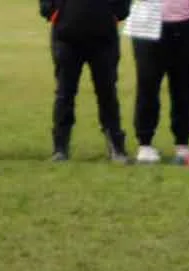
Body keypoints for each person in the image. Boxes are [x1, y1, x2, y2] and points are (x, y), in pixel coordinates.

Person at [39, 0, 131, 162]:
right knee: (65, 92)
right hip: (66, 35)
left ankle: (116, 147)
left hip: (104, 37)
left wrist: (116, 13)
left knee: (107, 92)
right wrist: (52, 11)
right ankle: (60, 148)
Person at [132, 0, 189, 164]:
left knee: (185, 88)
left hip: (188, 26)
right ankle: (145, 142)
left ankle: (182, 142)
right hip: (149, 26)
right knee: (148, 85)